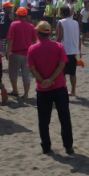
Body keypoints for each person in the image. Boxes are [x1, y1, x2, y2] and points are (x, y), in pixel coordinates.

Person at [27, 21, 73, 155]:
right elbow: (62, 65)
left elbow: (32, 69)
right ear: (49, 33)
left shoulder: (32, 49)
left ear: (38, 33)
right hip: (58, 86)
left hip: (43, 89)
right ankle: (68, 146)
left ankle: (46, 146)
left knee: (44, 119)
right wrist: (51, 80)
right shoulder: (58, 46)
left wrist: (44, 81)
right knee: (64, 117)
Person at [7, 7, 37, 99]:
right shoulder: (31, 26)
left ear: (17, 16)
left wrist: (7, 51)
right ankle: (26, 94)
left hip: (15, 53)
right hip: (27, 54)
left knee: (13, 73)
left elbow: (10, 39)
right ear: (26, 16)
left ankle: (15, 90)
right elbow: (34, 42)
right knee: (26, 75)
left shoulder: (14, 24)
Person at [56, 6, 80, 96]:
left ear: (62, 13)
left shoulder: (61, 22)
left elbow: (60, 37)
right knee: (72, 73)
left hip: (64, 50)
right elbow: (79, 38)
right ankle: (73, 91)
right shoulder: (76, 22)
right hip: (74, 50)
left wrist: (55, 47)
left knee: (62, 73)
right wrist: (79, 51)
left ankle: (64, 90)